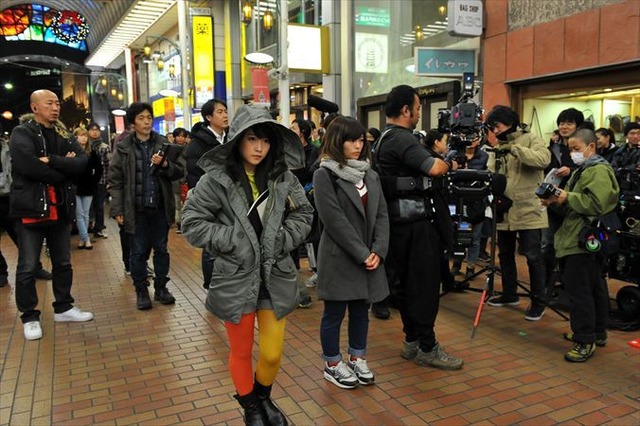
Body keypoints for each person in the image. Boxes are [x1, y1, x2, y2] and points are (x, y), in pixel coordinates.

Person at [181, 105, 313, 425]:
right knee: (240, 351)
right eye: (252, 139)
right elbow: (192, 224)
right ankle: (252, 408)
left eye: (265, 141)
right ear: (237, 139)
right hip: (236, 277)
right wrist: (235, 240)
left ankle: (262, 397)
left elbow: (304, 214)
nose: (259, 147)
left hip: (275, 274)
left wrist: (281, 239)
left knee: (271, 353)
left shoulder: (283, 177)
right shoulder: (216, 180)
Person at [375, 85, 463, 370]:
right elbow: (434, 169)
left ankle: (412, 340)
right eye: (416, 108)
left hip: (396, 224)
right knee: (423, 286)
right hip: (415, 225)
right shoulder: (402, 138)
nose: (417, 114)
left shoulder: (383, 139)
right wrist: (448, 164)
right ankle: (427, 347)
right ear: (405, 110)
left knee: (404, 286)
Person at [312, 116, 389, 389]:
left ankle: (357, 357)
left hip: (368, 256)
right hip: (339, 256)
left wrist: (378, 250)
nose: (358, 146)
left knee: (360, 310)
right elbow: (333, 220)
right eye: (351, 140)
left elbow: (382, 215)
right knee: (334, 312)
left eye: (360, 140)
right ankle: (332, 363)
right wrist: (362, 253)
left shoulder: (370, 174)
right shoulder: (325, 174)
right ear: (337, 141)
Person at [10, 89, 93, 341]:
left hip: (61, 207)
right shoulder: (22, 133)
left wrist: (54, 160)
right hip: (31, 208)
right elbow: (28, 166)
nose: (55, 108)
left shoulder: (62, 133)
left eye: (57, 103)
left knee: (63, 262)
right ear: (35, 107)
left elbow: (82, 161)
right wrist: (64, 172)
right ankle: (30, 317)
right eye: (49, 103)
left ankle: (64, 307)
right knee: (28, 265)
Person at [540, 129, 619, 362]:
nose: (573, 154)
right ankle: (597, 332)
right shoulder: (584, 170)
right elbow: (576, 207)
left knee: (579, 292)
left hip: (583, 239)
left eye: (576, 149)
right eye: (570, 149)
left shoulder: (598, 170)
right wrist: (555, 202)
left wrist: (567, 197)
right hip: (580, 235)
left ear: (591, 147)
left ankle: (584, 340)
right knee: (593, 287)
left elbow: (597, 204)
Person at [109, 102, 185, 310]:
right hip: (136, 209)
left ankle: (161, 288)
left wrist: (166, 164)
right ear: (133, 122)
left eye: (149, 118)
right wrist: (118, 210)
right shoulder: (123, 148)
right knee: (138, 252)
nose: (146, 122)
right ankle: (141, 290)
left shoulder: (164, 144)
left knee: (161, 249)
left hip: (159, 207)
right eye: (141, 118)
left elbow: (179, 171)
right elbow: (115, 180)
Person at [485, 105, 551, 321]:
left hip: (528, 208)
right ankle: (509, 293)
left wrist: (515, 149)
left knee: (533, 256)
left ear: (510, 122)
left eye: (497, 126)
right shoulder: (498, 145)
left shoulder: (532, 139)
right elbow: (491, 171)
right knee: (504, 254)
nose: (495, 131)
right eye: (492, 128)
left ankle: (539, 301)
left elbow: (543, 160)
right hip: (504, 207)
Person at [186, 98, 228, 290]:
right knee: (211, 244)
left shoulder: (231, 138)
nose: (225, 115)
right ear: (209, 117)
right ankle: (212, 285)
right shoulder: (198, 144)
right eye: (220, 112)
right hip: (211, 202)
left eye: (225, 111)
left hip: (232, 200)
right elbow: (195, 177)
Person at [0, 135, 52, 288]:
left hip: (10, 197)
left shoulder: (9, 148)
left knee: (22, 237)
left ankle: (36, 267)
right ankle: (1, 272)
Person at [541, 109, 579, 302]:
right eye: (562, 123)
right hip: (552, 203)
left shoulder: (582, 149)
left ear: (578, 126)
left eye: (569, 123)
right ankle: (547, 284)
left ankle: (567, 283)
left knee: (570, 246)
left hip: (573, 204)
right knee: (547, 245)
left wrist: (570, 170)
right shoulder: (552, 148)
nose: (564, 127)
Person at [74, 127, 102, 250]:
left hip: (88, 186)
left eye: (85, 135)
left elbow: (99, 169)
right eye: (81, 135)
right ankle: (86, 239)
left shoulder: (92, 152)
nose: (83, 138)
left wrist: (94, 180)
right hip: (75, 186)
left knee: (86, 213)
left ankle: (82, 239)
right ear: (76, 137)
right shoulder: (72, 151)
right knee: (79, 214)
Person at [87, 121, 111, 239]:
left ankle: (99, 228)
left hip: (101, 181)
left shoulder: (104, 147)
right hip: (87, 182)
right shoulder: (84, 146)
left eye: (97, 130)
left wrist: (108, 181)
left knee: (99, 206)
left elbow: (109, 165)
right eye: (92, 130)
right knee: (88, 206)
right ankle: (88, 227)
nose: (95, 132)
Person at [172, 127, 189, 233]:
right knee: (176, 204)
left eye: (183, 136)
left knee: (186, 203)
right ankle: (179, 224)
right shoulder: (170, 149)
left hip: (186, 180)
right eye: (178, 136)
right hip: (174, 181)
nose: (180, 138)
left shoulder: (189, 149)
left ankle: (186, 223)